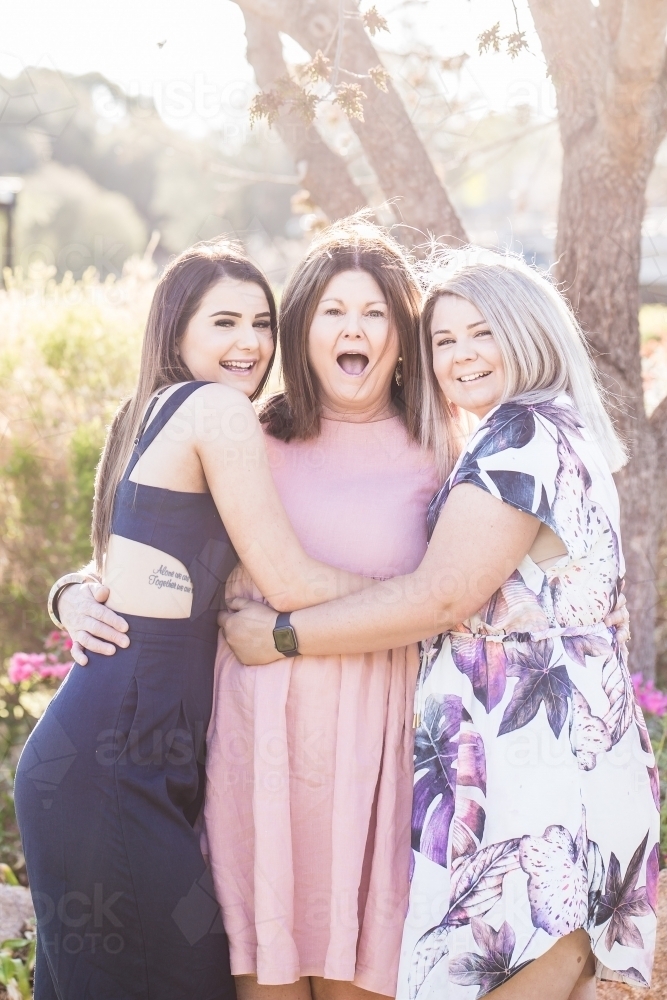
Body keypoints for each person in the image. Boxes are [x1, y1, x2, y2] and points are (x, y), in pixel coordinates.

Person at [56, 226, 629, 1000]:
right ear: (303, 330)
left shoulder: (454, 446)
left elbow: (447, 591)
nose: (353, 330)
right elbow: (146, 551)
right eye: (331, 311)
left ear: (402, 338)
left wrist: (313, 622)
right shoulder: (247, 434)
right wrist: (75, 593)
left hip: (386, 753)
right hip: (257, 751)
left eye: (374, 314)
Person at [222, 249, 657, 1000]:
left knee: (533, 965)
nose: (459, 356)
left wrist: (282, 635)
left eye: (480, 333)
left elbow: (437, 598)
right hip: (538, 766)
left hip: (544, 776)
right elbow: (461, 592)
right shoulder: (530, 431)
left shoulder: (518, 439)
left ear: (528, 334)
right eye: (445, 339)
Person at [16, 240, 374, 1000]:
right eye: (224, 323)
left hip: (119, 753)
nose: (249, 342)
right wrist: (435, 592)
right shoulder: (215, 409)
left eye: (262, 322)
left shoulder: (151, 411)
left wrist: (68, 593)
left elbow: (116, 569)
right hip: (116, 761)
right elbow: (287, 579)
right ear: (176, 332)